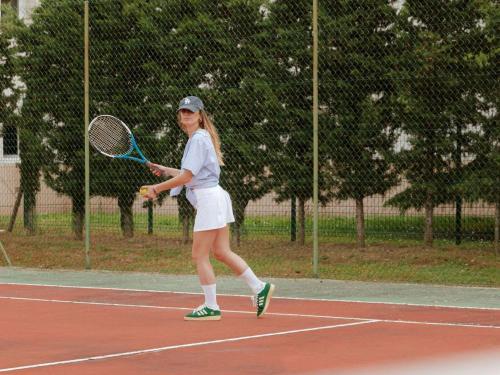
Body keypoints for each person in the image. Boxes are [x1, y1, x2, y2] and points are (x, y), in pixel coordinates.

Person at [141, 95, 275, 321]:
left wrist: (157, 188)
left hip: (209, 199)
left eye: (191, 111)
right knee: (222, 252)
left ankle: (211, 306)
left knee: (199, 255)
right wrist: (165, 170)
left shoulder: (198, 139)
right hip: (215, 196)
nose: (186, 114)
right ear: (179, 116)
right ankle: (259, 287)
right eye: (183, 111)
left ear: (200, 116)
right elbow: (192, 175)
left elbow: (188, 176)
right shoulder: (199, 139)